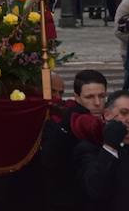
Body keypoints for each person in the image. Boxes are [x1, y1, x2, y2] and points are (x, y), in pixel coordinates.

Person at [40, 70, 108, 211]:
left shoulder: (111, 120)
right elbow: (49, 161)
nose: (97, 103)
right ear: (77, 98)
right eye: (89, 97)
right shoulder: (58, 123)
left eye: (101, 96)